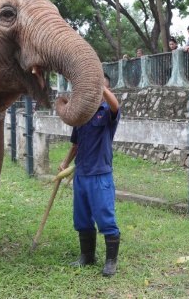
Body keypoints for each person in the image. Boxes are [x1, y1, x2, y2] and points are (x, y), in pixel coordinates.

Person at [59, 73, 121, 277]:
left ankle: (111, 261)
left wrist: (99, 86)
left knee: (105, 217)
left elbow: (116, 106)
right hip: (82, 174)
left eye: (100, 89)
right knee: (82, 217)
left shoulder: (107, 112)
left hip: (100, 175)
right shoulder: (81, 114)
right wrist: (66, 162)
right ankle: (87, 256)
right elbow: (75, 143)